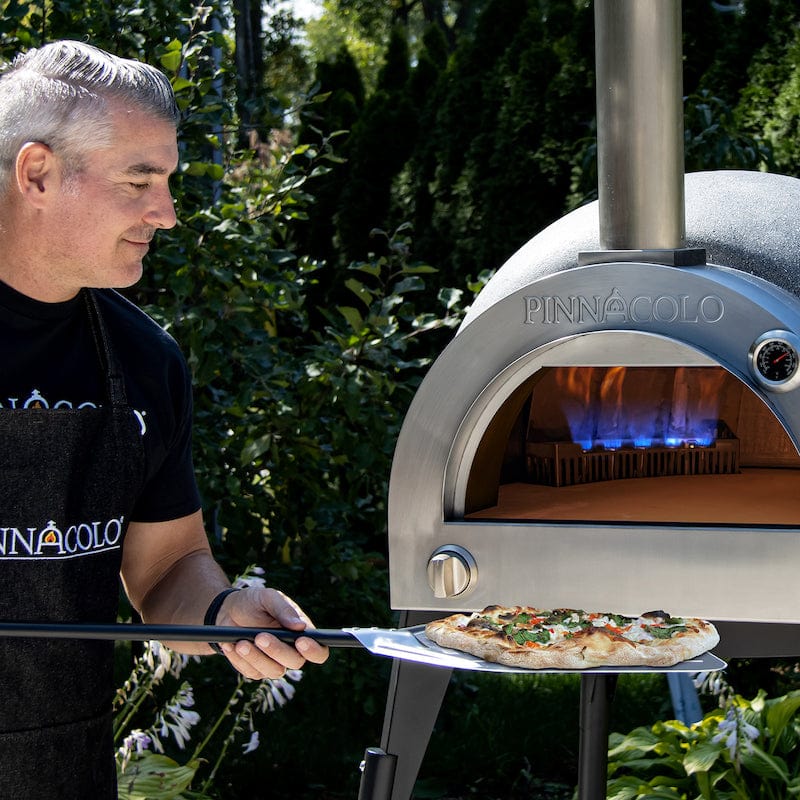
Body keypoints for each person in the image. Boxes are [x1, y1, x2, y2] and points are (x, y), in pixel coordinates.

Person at [0, 40, 329, 798]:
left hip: (56, 769)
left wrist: (222, 609)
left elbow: (166, 570)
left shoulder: (146, 361)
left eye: (168, 182)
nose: (168, 214)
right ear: (37, 173)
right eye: (139, 180)